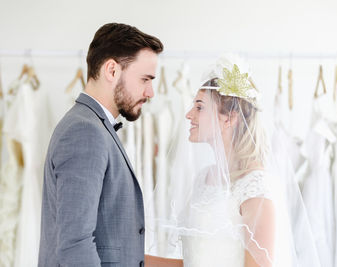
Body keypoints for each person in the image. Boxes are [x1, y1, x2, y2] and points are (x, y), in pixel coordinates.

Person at [145, 56, 321, 267]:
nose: (189, 114)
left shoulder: (256, 189)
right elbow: (196, 262)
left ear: (229, 117)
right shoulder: (204, 178)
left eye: (199, 107)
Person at [38, 23, 163, 267]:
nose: (150, 92)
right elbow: (76, 245)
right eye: (145, 79)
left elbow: (116, 248)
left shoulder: (93, 125)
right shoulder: (84, 131)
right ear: (112, 70)